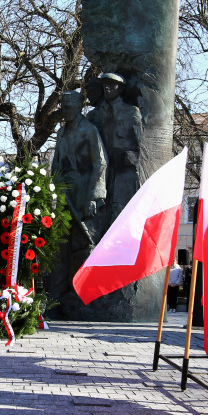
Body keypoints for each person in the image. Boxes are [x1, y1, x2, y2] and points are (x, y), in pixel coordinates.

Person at [47, 90, 108, 315]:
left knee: (84, 244)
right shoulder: (62, 132)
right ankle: (57, 299)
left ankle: (83, 300)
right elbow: (56, 166)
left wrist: (93, 196)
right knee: (61, 245)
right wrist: (53, 192)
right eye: (63, 106)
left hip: (85, 191)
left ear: (79, 106)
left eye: (69, 106)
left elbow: (100, 164)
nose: (66, 110)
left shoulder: (89, 130)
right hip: (65, 192)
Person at [88, 72, 143, 222]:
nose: (108, 88)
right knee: (102, 214)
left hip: (124, 171)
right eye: (105, 84)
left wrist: (131, 158)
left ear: (120, 89)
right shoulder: (94, 115)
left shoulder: (131, 112)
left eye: (112, 85)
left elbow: (140, 144)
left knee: (121, 212)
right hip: (102, 171)